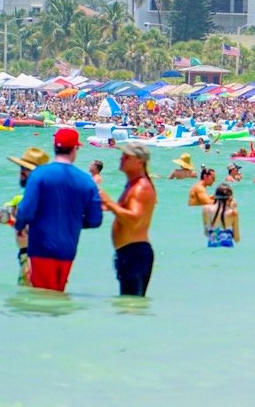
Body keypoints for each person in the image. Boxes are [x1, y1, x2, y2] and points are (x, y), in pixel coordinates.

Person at [14, 127, 104, 292]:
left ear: (54, 146)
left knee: (39, 298)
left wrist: (19, 226)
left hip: (40, 246)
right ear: (75, 148)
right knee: (57, 294)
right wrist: (72, 221)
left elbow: (25, 212)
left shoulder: (39, 174)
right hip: (68, 249)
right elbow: (95, 220)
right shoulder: (87, 181)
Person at [102, 141, 157, 297]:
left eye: (126, 157)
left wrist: (109, 202)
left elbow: (134, 220)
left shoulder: (140, 188)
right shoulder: (133, 185)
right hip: (130, 253)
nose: (121, 159)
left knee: (130, 306)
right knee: (129, 306)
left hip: (135, 254)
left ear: (140, 162)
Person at [0, 147, 50, 286]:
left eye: (26, 169)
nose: (22, 172)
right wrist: (10, 220)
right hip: (27, 256)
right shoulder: (31, 198)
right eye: (21, 167)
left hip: (33, 257)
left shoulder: (39, 198)